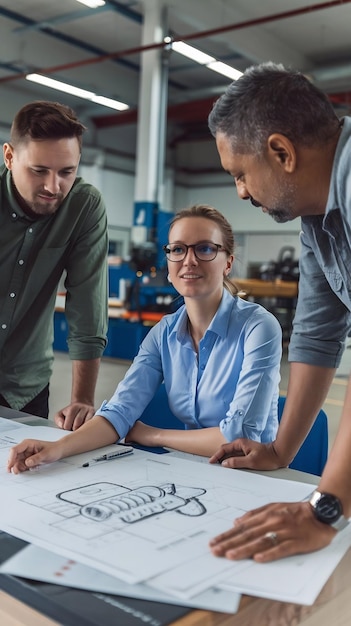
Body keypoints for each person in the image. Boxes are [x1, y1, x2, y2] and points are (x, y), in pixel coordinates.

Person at [7, 204, 282, 471]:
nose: (189, 260)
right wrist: (56, 449)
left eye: (205, 249)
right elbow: (119, 413)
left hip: (254, 476)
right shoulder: (164, 333)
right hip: (197, 471)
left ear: (228, 263)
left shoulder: (258, 328)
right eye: (177, 249)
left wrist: (153, 435)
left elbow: (239, 437)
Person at [206, 61, 351, 563]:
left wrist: (325, 506)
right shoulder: (318, 216)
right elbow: (316, 334)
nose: (241, 192)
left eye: (241, 174)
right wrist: (279, 451)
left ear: (281, 152)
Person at [0, 100, 108, 430]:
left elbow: (87, 305)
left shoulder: (83, 206)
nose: (52, 187)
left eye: (66, 172)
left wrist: (83, 399)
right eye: (39, 171)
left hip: (25, 387)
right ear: (9, 157)